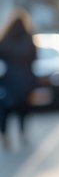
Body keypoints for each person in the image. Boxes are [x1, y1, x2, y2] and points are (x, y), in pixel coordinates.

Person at [0, 9, 37, 150]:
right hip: (26, 81)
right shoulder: (29, 38)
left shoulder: (6, 38)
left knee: (5, 111)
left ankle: (5, 135)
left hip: (8, 81)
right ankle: (22, 133)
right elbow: (34, 58)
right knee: (23, 109)